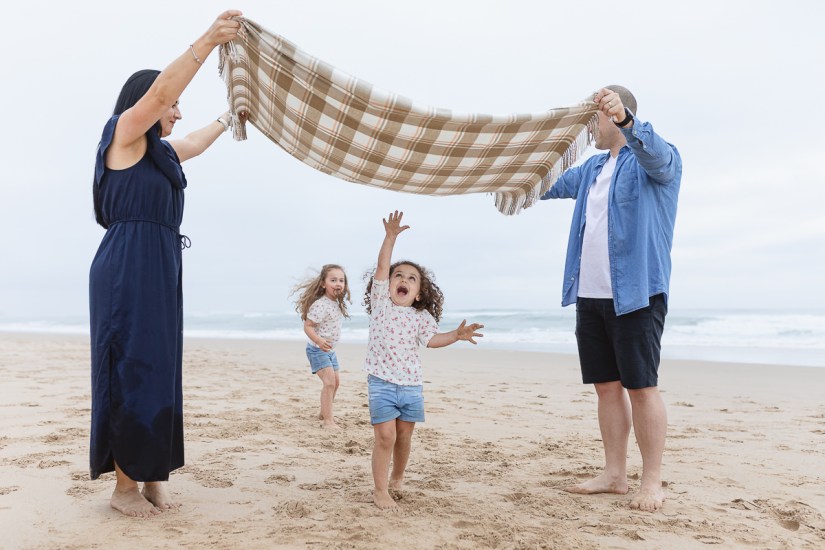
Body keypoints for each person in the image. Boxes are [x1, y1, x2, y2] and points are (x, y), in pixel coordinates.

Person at [88, 10, 243, 518]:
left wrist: (231, 117)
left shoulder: (161, 153)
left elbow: (194, 143)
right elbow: (157, 96)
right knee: (131, 367)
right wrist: (208, 40)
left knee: (159, 369)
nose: (176, 113)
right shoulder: (123, 136)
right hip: (127, 265)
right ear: (148, 103)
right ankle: (123, 488)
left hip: (159, 265)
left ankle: (152, 475)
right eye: (174, 104)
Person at [540, 86, 682, 512]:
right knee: (606, 388)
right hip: (590, 294)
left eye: (595, 119)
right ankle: (614, 474)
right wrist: (500, 169)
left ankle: (651, 481)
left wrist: (625, 120)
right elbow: (543, 184)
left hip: (637, 294)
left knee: (641, 388)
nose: (590, 129)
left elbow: (655, 153)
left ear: (618, 117)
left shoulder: (656, 159)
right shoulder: (592, 169)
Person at [363, 211, 484, 510]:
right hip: (381, 382)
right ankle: (380, 491)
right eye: (398, 276)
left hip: (411, 386)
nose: (403, 280)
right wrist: (390, 237)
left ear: (418, 294)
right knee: (385, 437)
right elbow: (381, 265)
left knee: (404, 435)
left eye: (411, 279)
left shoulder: (421, 316)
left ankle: (398, 477)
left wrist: (455, 335)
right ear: (388, 284)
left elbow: (432, 341)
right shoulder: (381, 303)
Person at [292, 264, 352, 429]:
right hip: (317, 349)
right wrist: (318, 340)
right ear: (323, 284)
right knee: (329, 382)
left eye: (341, 280)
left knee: (336, 382)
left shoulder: (336, 302)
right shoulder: (321, 304)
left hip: (329, 350)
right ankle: (328, 421)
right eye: (333, 280)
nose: (338, 283)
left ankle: (324, 413)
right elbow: (308, 326)